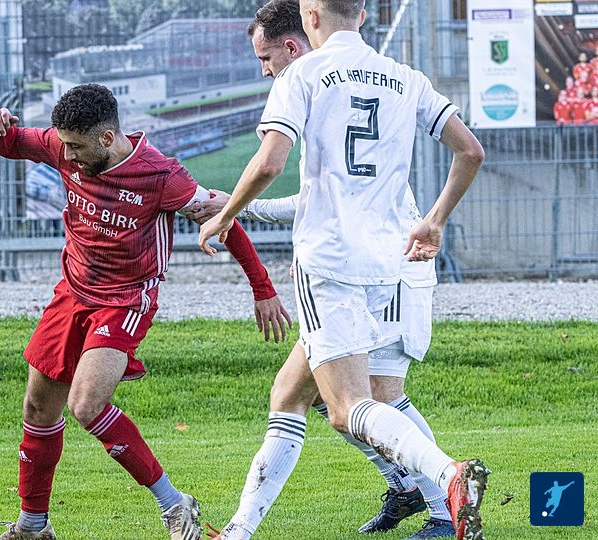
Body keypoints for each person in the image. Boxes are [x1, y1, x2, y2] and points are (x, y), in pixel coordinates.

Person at [197, 1, 488, 539]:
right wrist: (435, 221)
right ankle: (239, 531)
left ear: (310, 17)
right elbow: (470, 151)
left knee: (352, 405)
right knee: (295, 395)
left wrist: (226, 215)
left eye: (265, 58)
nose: (265, 69)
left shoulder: (304, 74)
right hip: (389, 262)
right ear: (362, 14)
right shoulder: (405, 77)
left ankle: (448, 480)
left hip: (330, 263)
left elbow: (270, 163)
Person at [0, 83, 294, 540]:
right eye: (63, 144)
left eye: (76, 147)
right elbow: (12, 144)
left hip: (126, 300)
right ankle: (33, 526)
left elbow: (223, 221)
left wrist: (262, 288)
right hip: (72, 293)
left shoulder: (162, 176)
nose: (66, 155)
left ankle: (174, 503)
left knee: (86, 405)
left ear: (107, 138)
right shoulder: (63, 145)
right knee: (37, 407)